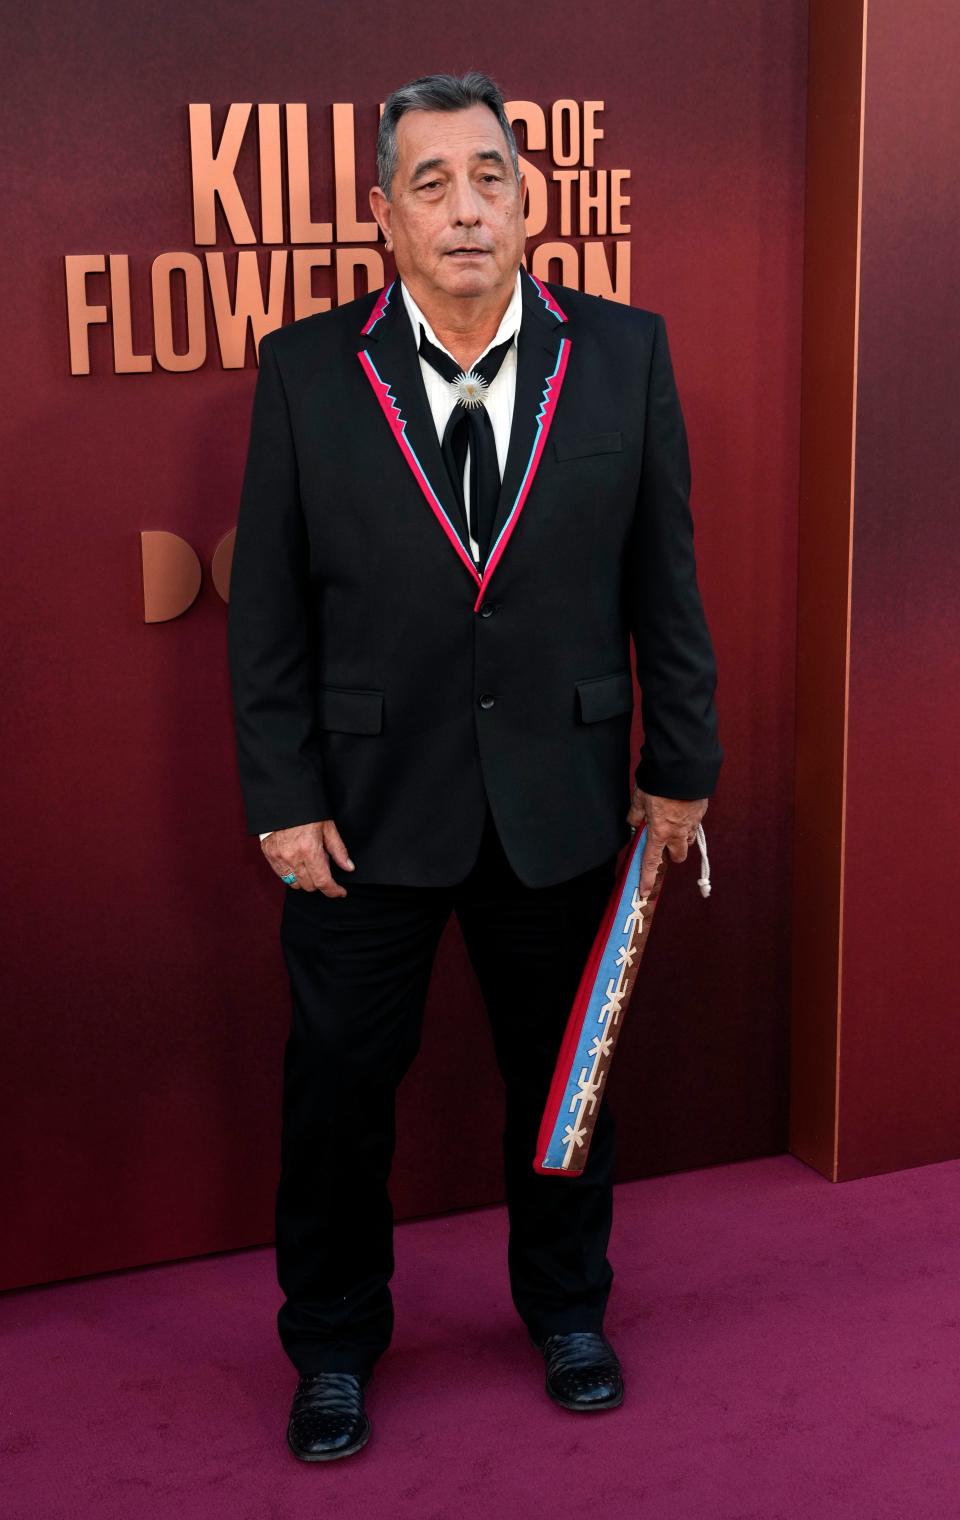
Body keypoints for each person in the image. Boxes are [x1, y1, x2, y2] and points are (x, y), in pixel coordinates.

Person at [227, 70, 722, 1463]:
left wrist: (680, 766)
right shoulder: (310, 370)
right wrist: (282, 801)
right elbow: (266, 615)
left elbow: (666, 589)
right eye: (430, 183)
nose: (464, 207)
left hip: (567, 799)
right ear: (384, 216)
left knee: (567, 1082)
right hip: (363, 817)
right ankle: (331, 1342)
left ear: (531, 199)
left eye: (488, 176)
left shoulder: (623, 354)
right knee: (335, 1094)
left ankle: (568, 1310)